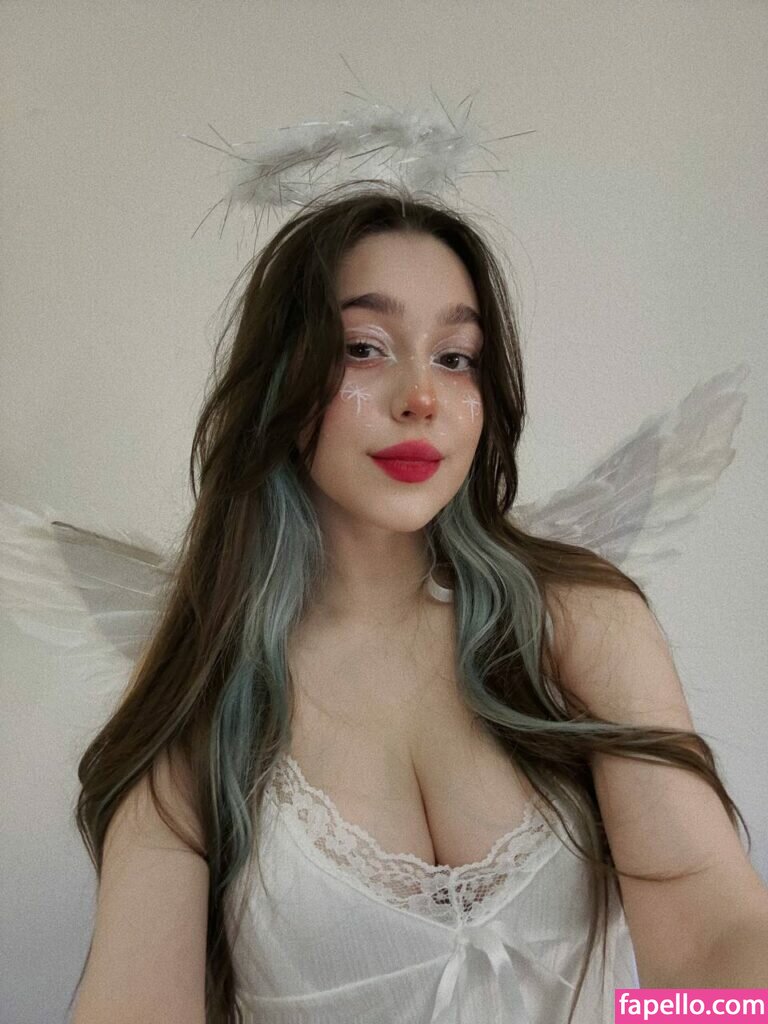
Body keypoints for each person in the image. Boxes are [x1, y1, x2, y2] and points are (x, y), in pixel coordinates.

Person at [68, 183, 768, 1024]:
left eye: (456, 357)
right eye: (364, 349)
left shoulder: (579, 623)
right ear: (283, 379)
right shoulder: (201, 697)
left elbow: (705, 939)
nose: (421, 397)